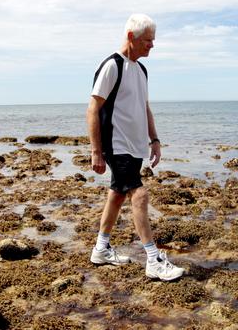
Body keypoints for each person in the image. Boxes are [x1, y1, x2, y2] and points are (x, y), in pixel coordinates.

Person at [87, 14, 185, 281]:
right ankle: (153, 260)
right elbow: (93, 108)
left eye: (153, 40)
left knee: (117, 195)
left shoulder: (141, 70)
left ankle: (101, 249)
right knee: (139, 195)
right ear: (131, 37)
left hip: (136, 146)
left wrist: (154, 140)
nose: (152, 45)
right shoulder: (112, 66)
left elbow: (144, 107)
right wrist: (96, 151)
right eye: (148, 40)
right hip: (116, 144)